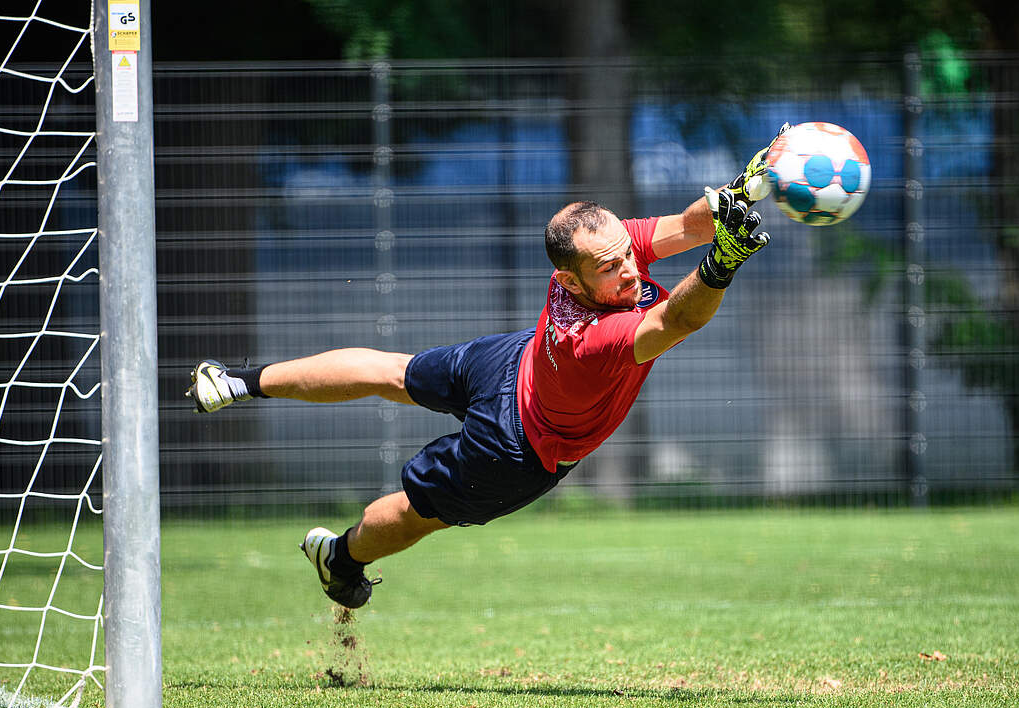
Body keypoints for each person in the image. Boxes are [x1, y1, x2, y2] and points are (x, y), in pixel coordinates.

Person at [187, 125, 788, 609]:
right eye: (609, 268)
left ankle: (237, 383)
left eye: (626, 254)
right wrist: (721, 265)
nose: (629, 270)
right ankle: (341, 559)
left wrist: (750, 185)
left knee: (393, 373)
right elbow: (677, 321)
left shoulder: (605, 254)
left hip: (513, 364)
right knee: (417, 512)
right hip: (517, 446)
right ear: (568, 280)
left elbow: (686, 226)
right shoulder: (592, 340)